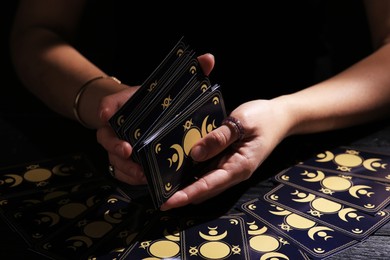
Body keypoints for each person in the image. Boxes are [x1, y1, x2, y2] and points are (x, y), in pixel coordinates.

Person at [9, 0, 390, 212]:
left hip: (306, 133)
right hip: (109, 164)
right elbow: (36, 32)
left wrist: (286, 114)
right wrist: (106, 102)